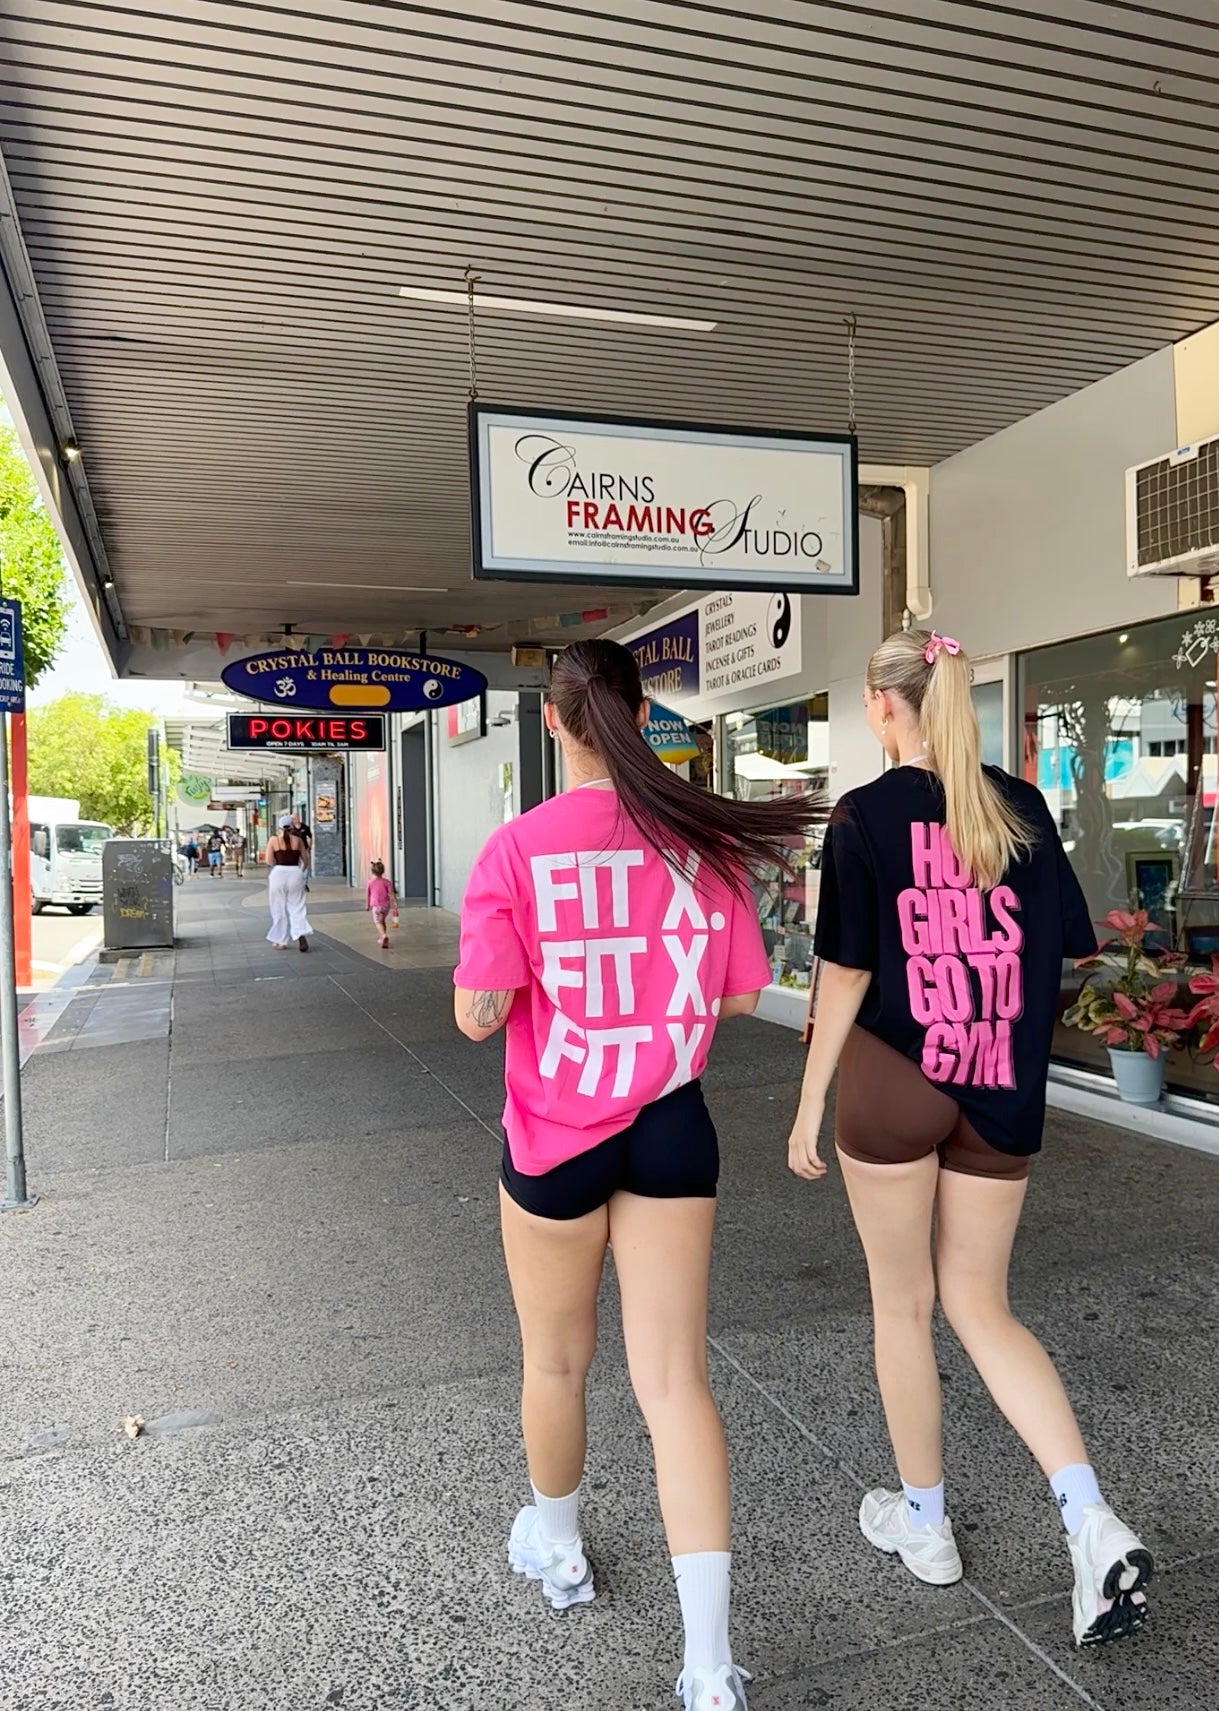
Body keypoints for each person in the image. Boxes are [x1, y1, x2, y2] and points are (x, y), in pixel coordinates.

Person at [453, 638, 823, 1711]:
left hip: (557, 1136)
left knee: (556, 1365)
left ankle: (559, 1549)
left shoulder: (517, 849)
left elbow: (480, 1016)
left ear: (556, 723)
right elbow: (745, 996)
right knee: (675, 1385)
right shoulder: (697, 844)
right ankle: (710, 1664)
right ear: (634, 717)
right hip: (672, 1128)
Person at [786, 630, 1152, 1651]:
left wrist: (809, 1101)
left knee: (902, 1304)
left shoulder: (863, 815)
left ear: (883, 705)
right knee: (984, 1307)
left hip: (896, 1081)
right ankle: (1090, 1518)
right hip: (1000, 1082)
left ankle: (928, 1523)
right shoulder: (1019, 805)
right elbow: (1070, 945)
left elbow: (845, 975)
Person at [264, 812, 312, 952]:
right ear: (291, 827)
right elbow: (306, 861)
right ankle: (300, 934)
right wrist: (300, 873)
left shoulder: (273, 840)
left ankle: (280, 941)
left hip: (278, 874)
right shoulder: (298, 840)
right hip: (295, 873)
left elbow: (268, 861)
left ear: (279, 827)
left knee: (278, 907)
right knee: (297, 907)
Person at [367, 859, 395, 949]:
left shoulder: (370, 882)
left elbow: (368, 894)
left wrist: (367, 905)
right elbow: (391, 894)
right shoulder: (387, 882)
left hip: (376, 906)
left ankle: (383, 935)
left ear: (372, 871)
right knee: (382, 920)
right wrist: (395, 904)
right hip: (386, 905)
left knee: (378, 922)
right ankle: (382, 939)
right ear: (383, 870)